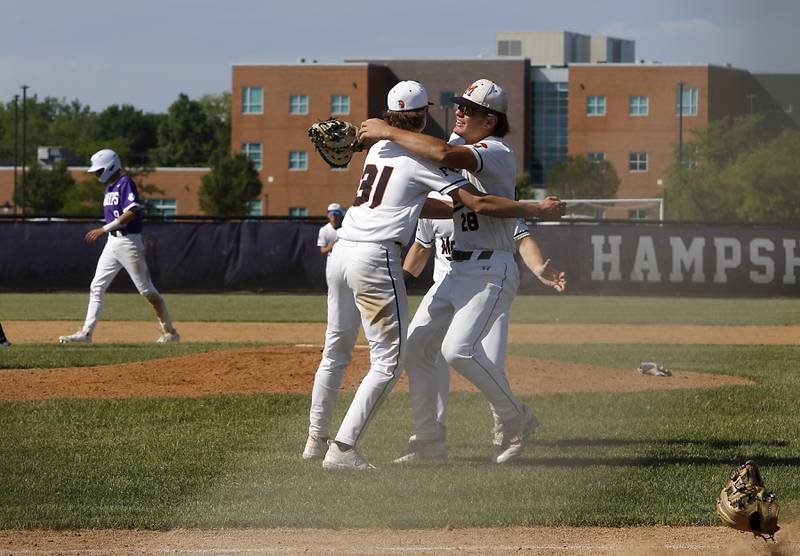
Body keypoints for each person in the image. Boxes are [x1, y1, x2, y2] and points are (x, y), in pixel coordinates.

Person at [305, 80, 564, 470]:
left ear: (490, 120)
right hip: (455, 270)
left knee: (457, 351)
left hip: (491, 267)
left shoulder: (494, 150)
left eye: (469, 109)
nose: (459, 112)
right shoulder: (415, 151)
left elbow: (447, 159)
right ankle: (429, 440)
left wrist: (385, 132)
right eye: (458, 105)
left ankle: (516, 418)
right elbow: (435, 193)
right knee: (416, 349)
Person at [397, 210, 565, 463]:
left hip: (486, 282)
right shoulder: (431, 195)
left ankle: (508, 426)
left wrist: (538, 265)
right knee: (418, 349)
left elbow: (521, 236)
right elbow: (422, 247)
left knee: (485, 361)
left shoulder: (486, 187)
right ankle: (430, 437)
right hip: (446, 284)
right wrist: (398, 285)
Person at [58, 149, 180, 345]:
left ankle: (170, 332)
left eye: (99, 170)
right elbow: (115, 214)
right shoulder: (109, 187)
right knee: (97, 286)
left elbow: (131, 212)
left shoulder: (125, 183)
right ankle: (86, 334)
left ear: (110, 166)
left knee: (147, 291)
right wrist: (107, 230)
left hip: (129, 242)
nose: (97, 174)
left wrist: (104, 228)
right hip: (113, 242)